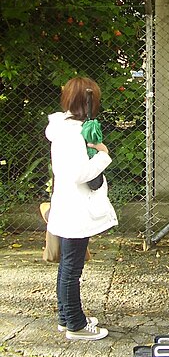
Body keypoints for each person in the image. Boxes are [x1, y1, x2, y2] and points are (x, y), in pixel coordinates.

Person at [45, 77, 118, 341]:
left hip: (69, 206)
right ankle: (75, 324)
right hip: (75, 209)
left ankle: (67, 319)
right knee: (71, 269)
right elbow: (79, 173)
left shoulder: (66, 128)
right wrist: (102, 155)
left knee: (68, 266)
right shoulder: (73, 134)